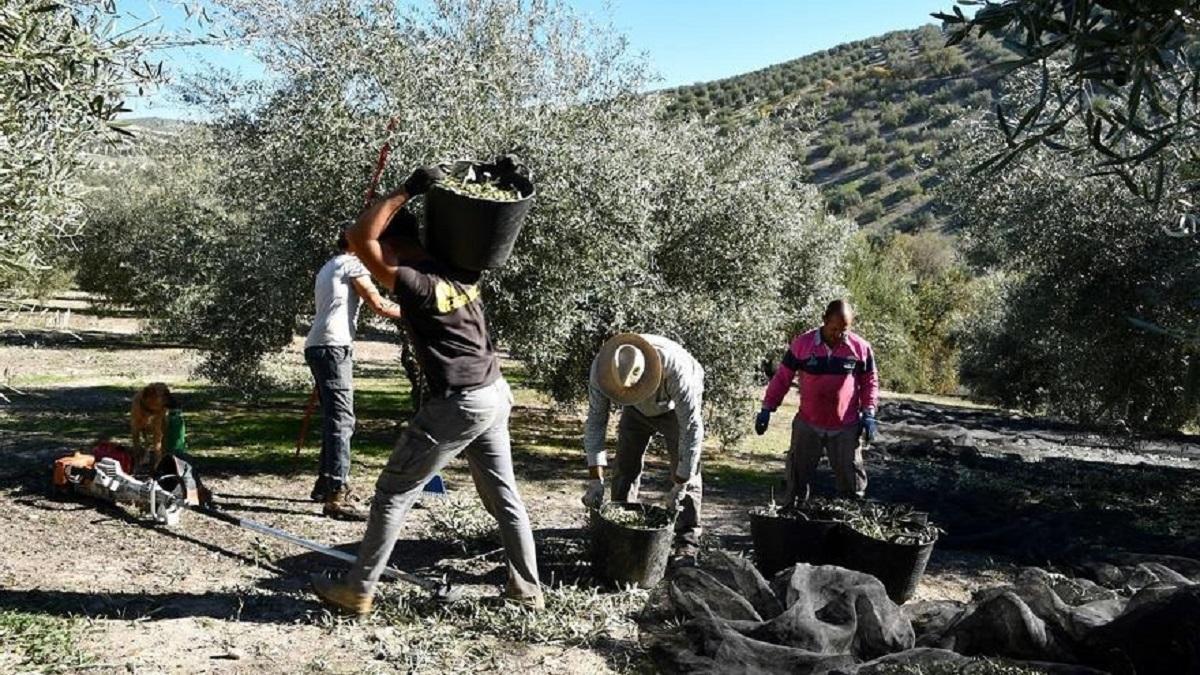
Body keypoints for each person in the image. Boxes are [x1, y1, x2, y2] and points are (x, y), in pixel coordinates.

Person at [311, 166, 542, 616]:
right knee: (505, 498)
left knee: (393, 492)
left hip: (460, 401)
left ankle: (358, 589)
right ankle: (527, 590)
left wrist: (408, 189)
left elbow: (360, 237)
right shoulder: (460, 272)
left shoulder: (414, 283)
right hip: (495, 393)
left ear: (391, 244)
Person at [582, 333, 705, 561]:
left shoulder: (676, 369)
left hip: (672, 410)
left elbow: (691, 431)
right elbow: (595, 423)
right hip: (635, 411)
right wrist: (594, 480)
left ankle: (687, 541)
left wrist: (680, 484)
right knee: (625, 464)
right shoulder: (602, 368)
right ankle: (621, 525)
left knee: (687, 471)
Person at [305, 231, 402, 520]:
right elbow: (379, 304)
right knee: (342, 420)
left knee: (334, 418)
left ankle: (325, 483)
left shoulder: (329, 265)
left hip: (318, 346)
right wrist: (422, 310)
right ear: (356, 243)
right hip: (334, 348)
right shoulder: (352, 264)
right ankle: (337, 494)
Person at [755, 299, 879, 504]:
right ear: (824, 321)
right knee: (795, 481)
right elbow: (782, 378)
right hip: (808, 424)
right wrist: (767, 408)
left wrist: (868, 414)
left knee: (852, 485)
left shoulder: (861, 349)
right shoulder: (802, 345)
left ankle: (851, 523)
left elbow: (870, 382)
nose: (838, 334)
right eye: (834, 328)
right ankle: (793, 519)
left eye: (844, 330)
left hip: (845, 426)